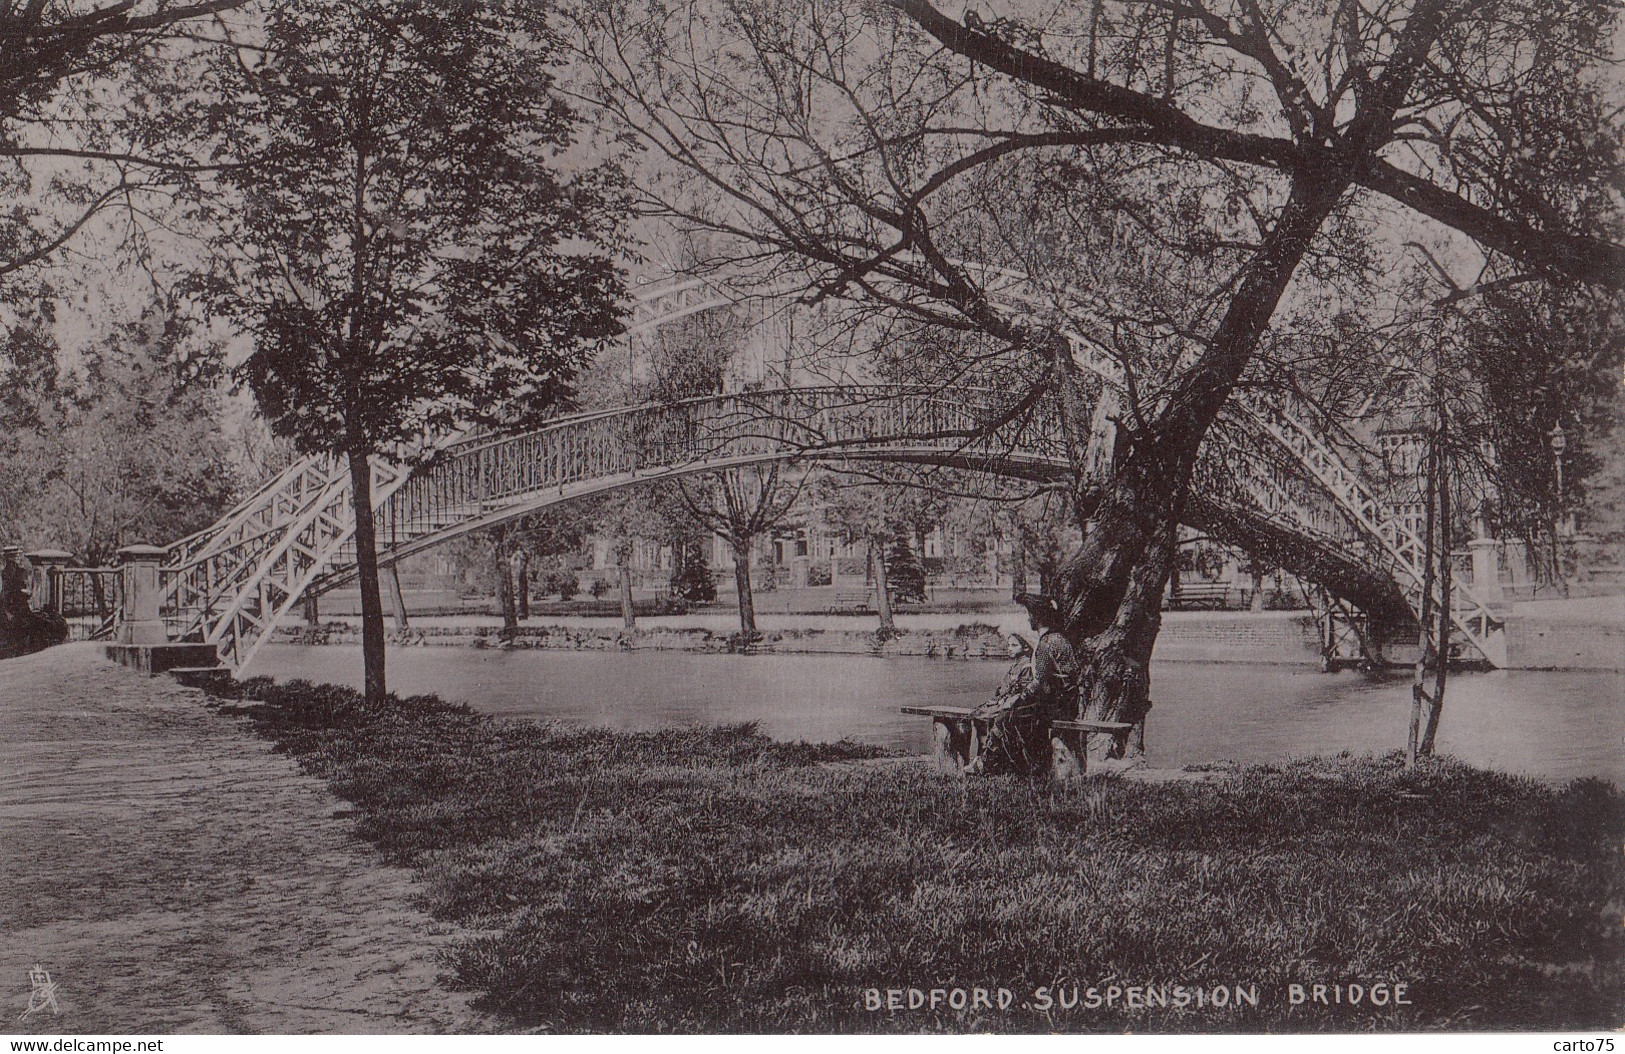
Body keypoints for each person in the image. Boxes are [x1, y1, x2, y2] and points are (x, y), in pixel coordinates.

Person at [967, 595, 1081, 776]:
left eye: (1030, 614)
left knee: (1007, 715)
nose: (1028, 619)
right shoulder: (1059, 638)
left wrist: (1019, 699)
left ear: (1037, 617)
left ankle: (993, 764)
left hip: (1059, 706)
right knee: (1011, 713)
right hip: (1068, 703)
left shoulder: (1047, 643)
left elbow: (1039, 682)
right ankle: (1004, 763)